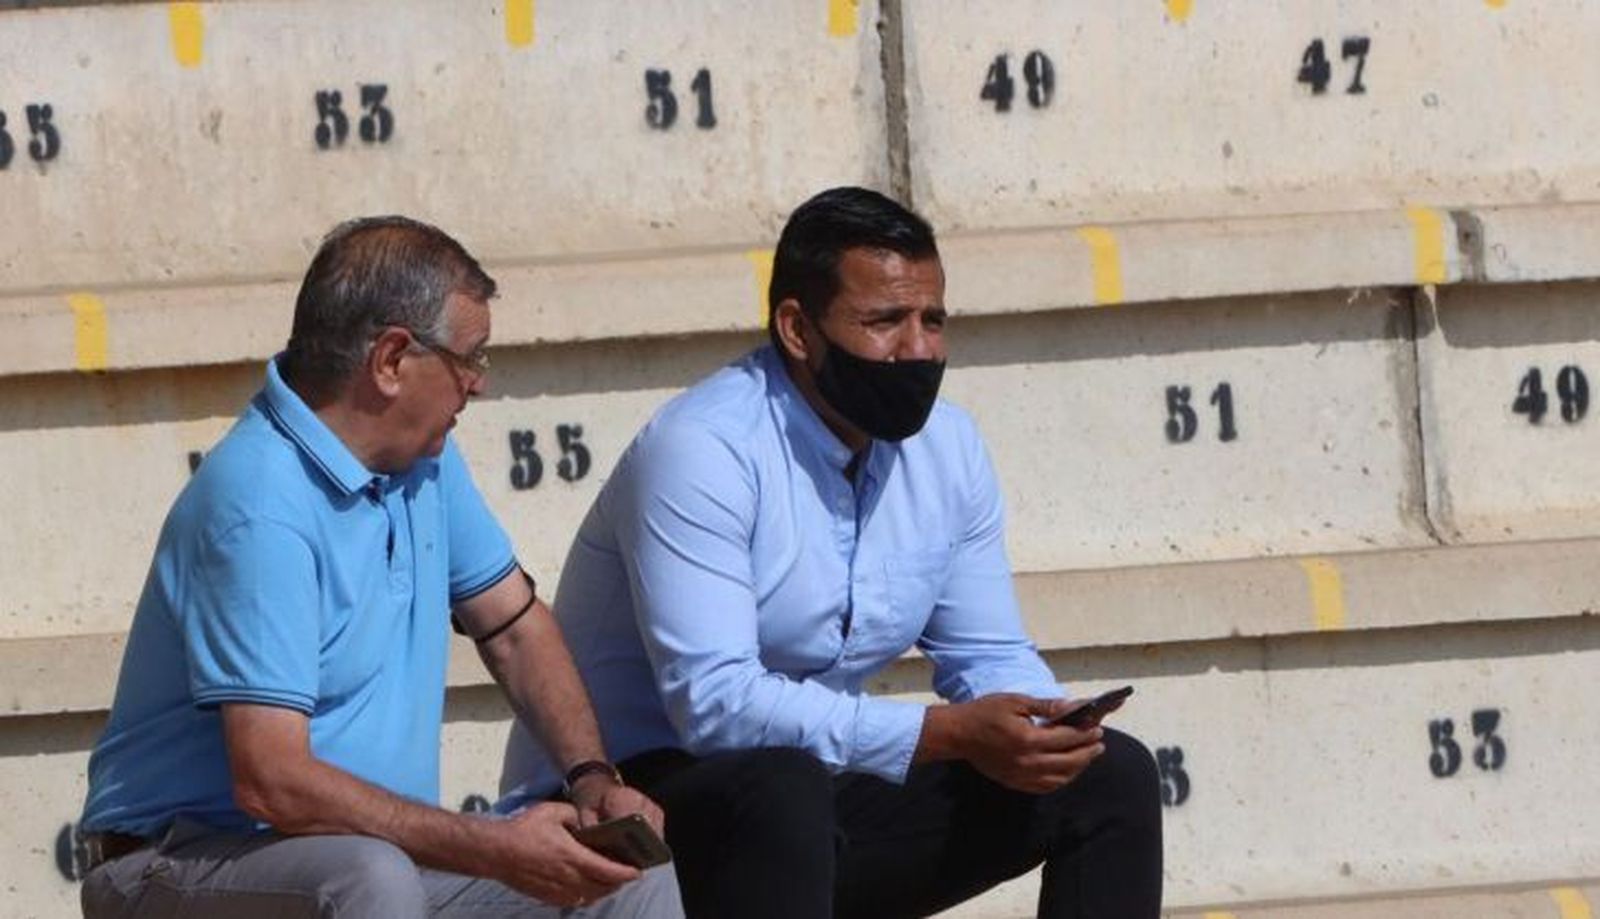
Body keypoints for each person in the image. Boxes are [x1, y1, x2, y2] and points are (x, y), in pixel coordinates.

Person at [498, 187, 1163, 918]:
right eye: (884, 321)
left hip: (810, 801)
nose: (917, 350)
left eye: (932, 320)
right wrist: (942, 734)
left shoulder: (949, 446)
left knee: (1108, 776)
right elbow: (716, 706)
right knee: (783, 787)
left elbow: (987, 650)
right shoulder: (703, 448)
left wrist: (1043, 728)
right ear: (797, 328)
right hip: (627, 812)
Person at [77, 216, 683, 919]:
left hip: (367, 857)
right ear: (392, 358)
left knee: (626, 878)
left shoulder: (423, 461)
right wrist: (492, 844)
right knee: (368, 876)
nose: (478, 386)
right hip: (170, 864)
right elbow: (272, 783)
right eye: (470, 359)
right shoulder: (259, 503)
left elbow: (515, 627)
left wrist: (591, 779)